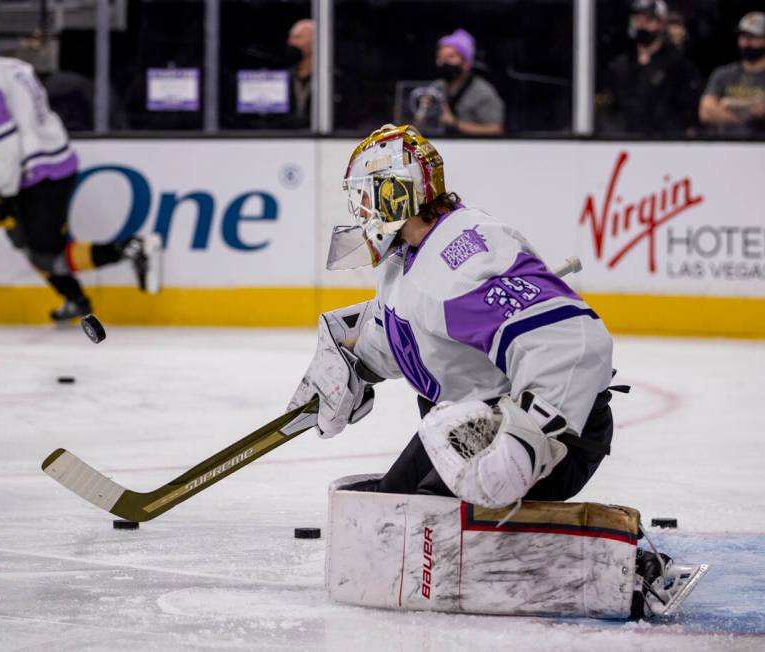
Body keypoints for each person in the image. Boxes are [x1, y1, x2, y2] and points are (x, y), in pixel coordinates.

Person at [288, 124, 685, 617]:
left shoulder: (461, 258)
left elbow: (573, 344)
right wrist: (354, 357)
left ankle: (625, 567)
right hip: (473, 424)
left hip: (556, 430)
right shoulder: (410, 255)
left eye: (368, 196)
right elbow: (418, 332)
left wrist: (526, 440)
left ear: (398, 190)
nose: (362, 212)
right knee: (393, 522)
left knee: (434, 538)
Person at [0, 11, 161, 322]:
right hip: (55, 161)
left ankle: (131, 248)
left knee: (46, 254)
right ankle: (76, 300)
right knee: (25, 242)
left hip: (37, 176)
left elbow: (5, 142)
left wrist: (0, 190)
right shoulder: (13, 66)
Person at [595, 0, 701, 137]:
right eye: (638, 19)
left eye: (649, 20)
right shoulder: (619, 66)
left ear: (662, 24)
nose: (642, 25)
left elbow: (689, 113)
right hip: (623, 141)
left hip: (664, 143)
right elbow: (607, 107)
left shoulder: (678, 66)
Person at [699, 12, 765, 137]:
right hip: (726, 146)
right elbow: (706, 111)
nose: (746, 43)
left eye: (752, 38)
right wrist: (745, 116)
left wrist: (728, 104)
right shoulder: (724, 74)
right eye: (743, 37)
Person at [428, 29, 504, 136]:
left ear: (466, 63)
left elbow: (495, 129)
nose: (443, 63)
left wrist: (454, 123)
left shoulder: (483, 91)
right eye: (440, 58)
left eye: (451, 57)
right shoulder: (435, 87)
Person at [286, 18, 314, 128]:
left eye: (297, 37)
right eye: (290, 37)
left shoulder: (331, 80)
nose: (290, 43)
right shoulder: (285, 77)